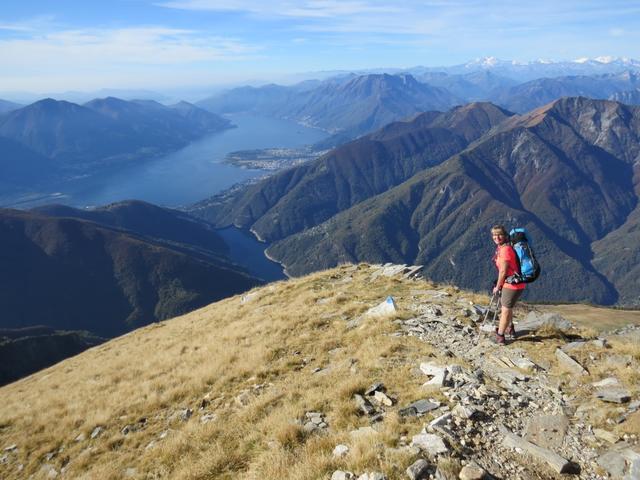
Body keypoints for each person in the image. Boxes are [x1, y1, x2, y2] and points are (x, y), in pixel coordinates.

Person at [490, 225, 525, 345]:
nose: (496, 237)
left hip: (511, 286)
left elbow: (503, 271)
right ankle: (511, 329)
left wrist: (498, 286)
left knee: (504, 310)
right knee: (508, 307)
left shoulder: (505, 250)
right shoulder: (503, 248)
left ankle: (500, 336)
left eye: (499, 234)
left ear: (505, 236)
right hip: (515, 284)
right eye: (494, 235)